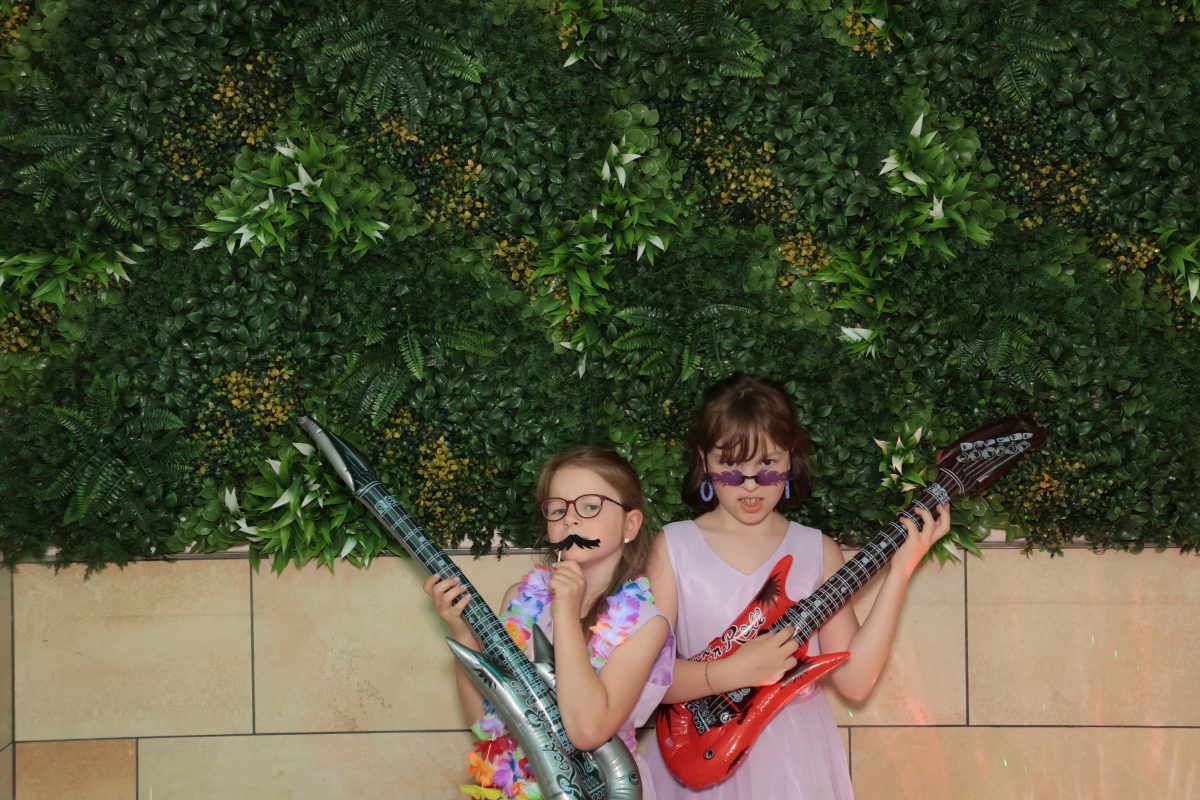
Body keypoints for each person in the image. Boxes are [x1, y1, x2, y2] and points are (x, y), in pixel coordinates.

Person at [643, 373, 949, 799]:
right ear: (704, 460)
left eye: (767, 463)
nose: (751, 483)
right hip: (700, 749)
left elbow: (855, 682)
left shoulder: (816, 550)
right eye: (731, 464)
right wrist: (732, 672)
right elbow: (645, 678)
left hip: (795, 759)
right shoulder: (673, 546)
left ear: (791, 458)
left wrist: (899, 572)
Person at [425, 444, 674, 799]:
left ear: (630, 524)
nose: (570, 520)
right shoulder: (521, 601)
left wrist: (566, 614)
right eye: (558, 509)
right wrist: (463, 632)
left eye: (590, 506)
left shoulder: (647, 624)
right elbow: (488, 723)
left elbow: (587, 731)